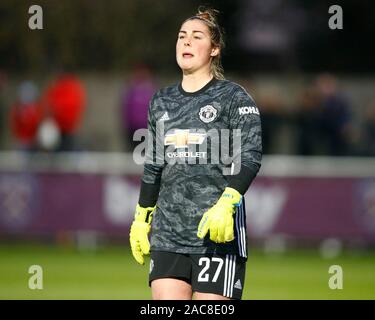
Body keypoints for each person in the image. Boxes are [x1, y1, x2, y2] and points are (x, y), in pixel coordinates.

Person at [129, 7, 262, 300]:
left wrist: (227, 203)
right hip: (167, 236)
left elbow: (250, 155)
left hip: (216, 236)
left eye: (196, 36)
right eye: (181, 36)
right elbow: (153, 165)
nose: (186, 42)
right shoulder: (161, 100)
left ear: (214, 49)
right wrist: (141, 218)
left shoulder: (234, 98)